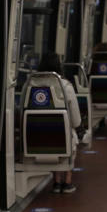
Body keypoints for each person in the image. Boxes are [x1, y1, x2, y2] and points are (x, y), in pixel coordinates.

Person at [37, 52, 82, 194]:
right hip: (60, 134)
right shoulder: (65, 86)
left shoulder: (30, 84)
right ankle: (67, 181)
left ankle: (56, 181)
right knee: (70, 136)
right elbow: (75, 119)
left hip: (36, 133)